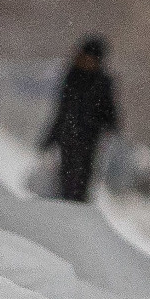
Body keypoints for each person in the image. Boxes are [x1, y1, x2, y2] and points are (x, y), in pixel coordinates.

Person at [45, 36, 121, 201]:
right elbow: (62, 110)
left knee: (82, 181)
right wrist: (50, 137)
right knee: (65, 179)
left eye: (91, 58)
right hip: (68, 136)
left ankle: (76, 211)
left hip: (89, 140)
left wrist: (109, 124)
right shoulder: (71, 77)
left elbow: (109, 110)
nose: (87, 61)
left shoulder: (103, 82)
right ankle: (64, 209)